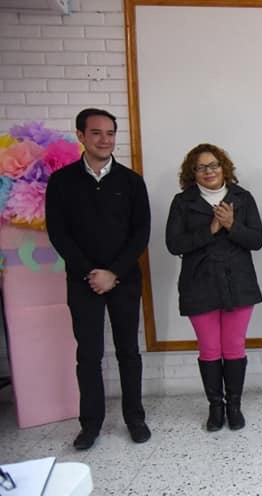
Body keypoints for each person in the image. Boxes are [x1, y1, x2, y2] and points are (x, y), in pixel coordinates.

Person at [45, 108, 152, 450]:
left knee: (128, 351)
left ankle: (135, 418)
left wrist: (114, 272)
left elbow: (141, 233)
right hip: (83, 280)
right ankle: (90, 424)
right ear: (81, 136)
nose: (105, 140)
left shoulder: (131, 181)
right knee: (89, 355)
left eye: (110, 133)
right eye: (96, 133)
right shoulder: (61, 182)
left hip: (124, 279)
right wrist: (91, 273)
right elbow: (59, 234)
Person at [165, 143, 262, 432]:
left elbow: (257, 240)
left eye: (213, 165)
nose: (208, 171)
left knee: (234, 346)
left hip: (239, 284)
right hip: (199, 285)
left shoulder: (242, 198)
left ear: (224, 167)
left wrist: (232, 225)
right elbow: (174, 244)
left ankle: (234, 406)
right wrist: (209, 230)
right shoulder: (182, 202)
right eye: (201, 167)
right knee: (209, 348)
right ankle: (215, 407)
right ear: (192, 172)